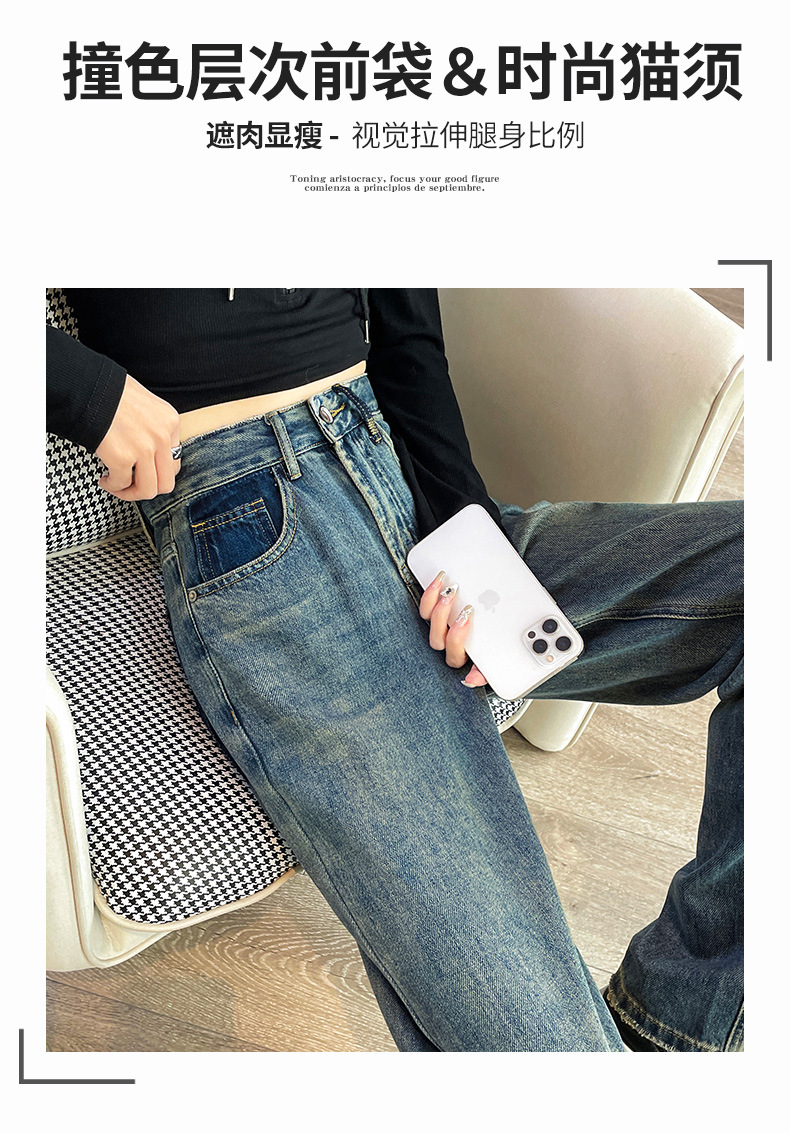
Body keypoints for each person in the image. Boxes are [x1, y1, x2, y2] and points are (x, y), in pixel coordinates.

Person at [46, 288, 743, 1052]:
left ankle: (670, 1027)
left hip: (392, 465)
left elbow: (409, 340)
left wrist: (468, 537)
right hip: (256, 508)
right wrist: (92, 395)